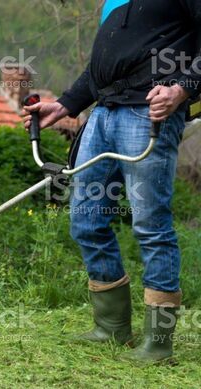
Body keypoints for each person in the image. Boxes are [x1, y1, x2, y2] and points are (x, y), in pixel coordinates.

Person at [23, 0, 200, 362]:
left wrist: (181, 88)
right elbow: (101, 69)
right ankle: (112, 327)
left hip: (147, 114)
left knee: (152, 226)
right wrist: (65, 105)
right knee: (86, 219)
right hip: (102, 115)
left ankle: (158, 343)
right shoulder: (113, 3)